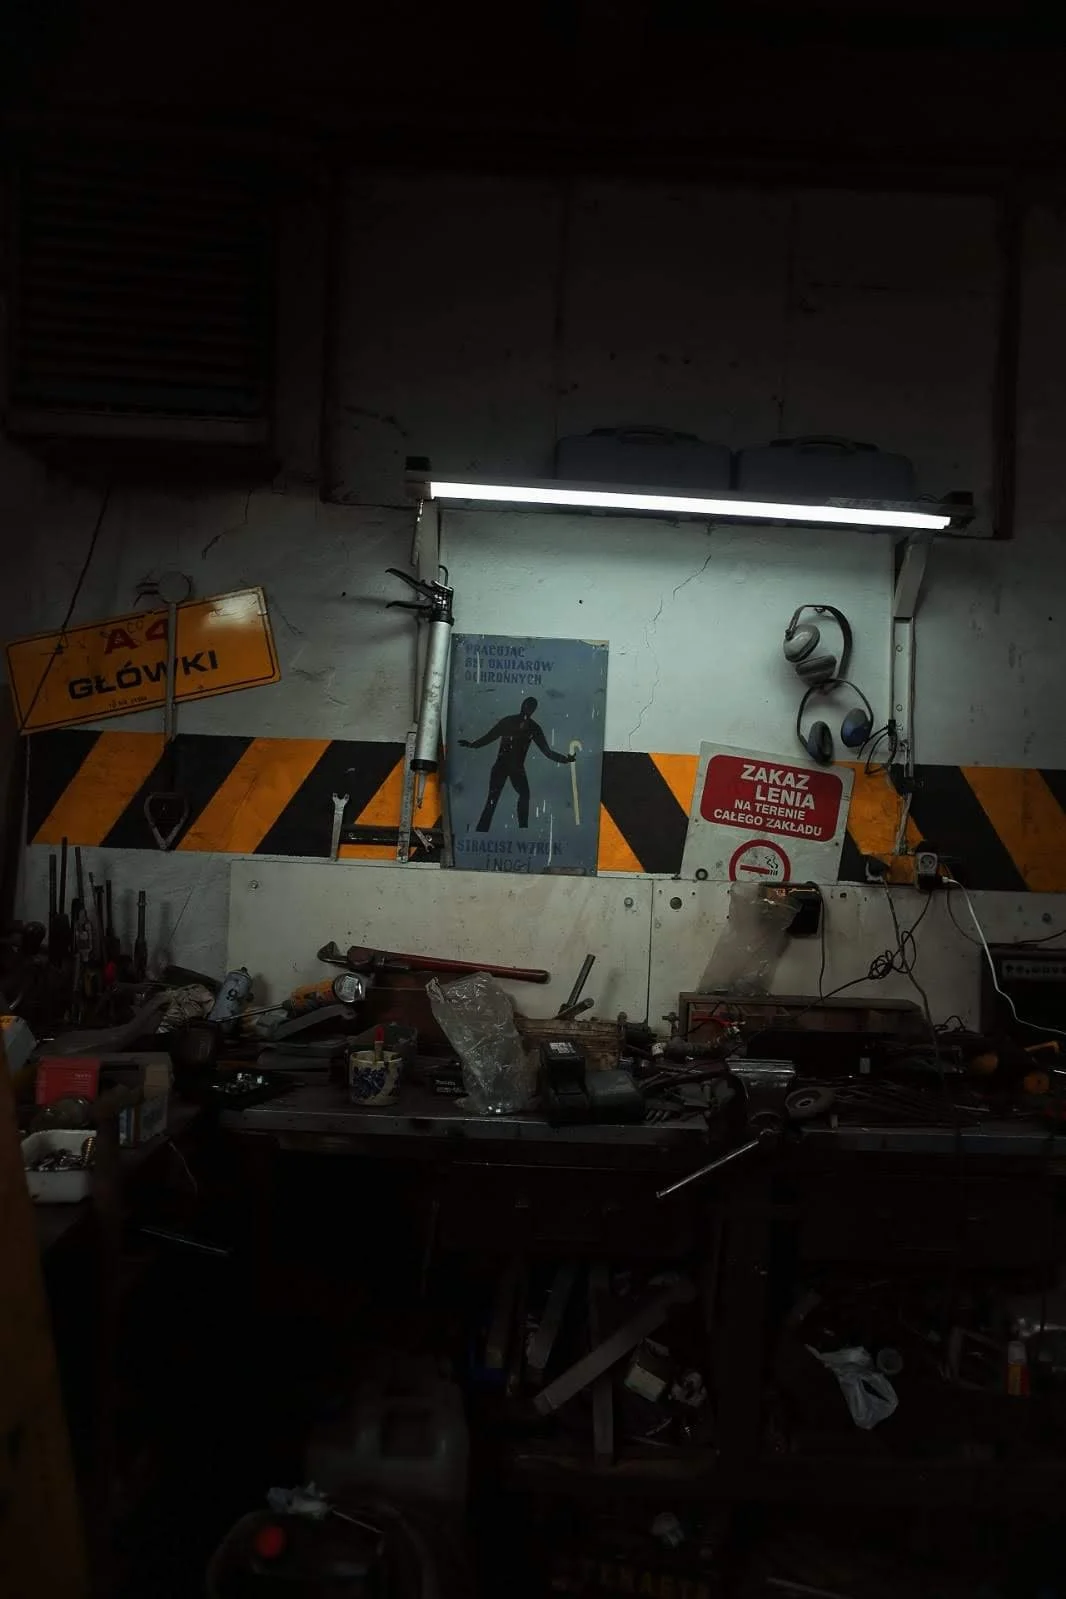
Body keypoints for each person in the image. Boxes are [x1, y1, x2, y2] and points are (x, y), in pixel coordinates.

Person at [459, 696, 576, 832]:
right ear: (523, 705)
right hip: (504, 766)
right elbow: (490, 736)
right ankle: (484, 829)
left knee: (519, 795)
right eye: (527, 705)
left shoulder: (532, 727)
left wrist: (565, 759)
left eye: (531, 707)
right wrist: (472, 745)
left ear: (533, 710)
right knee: (494, 798)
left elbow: (547, 752)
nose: (528, 708)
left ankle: (522, 829)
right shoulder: (512, 722)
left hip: (514, 768)